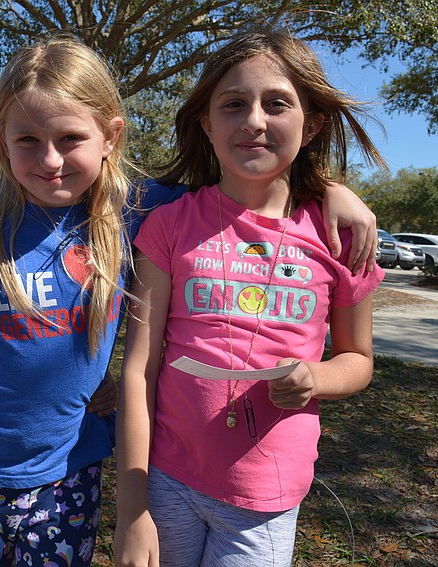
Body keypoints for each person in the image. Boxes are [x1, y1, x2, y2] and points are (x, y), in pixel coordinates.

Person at [0, 35, 378, 566]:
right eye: (28, 139)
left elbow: (247, 177)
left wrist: (325, 187)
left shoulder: (141, 211)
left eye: (71, 138)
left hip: (71, 469)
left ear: (110, 136)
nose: (50, 160)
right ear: (0, 137)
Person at [114, 29, 386, 567]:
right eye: (233, 104)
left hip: (266, 497)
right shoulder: (169, 225)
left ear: (312, 125)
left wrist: (317, 379)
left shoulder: (342, 236)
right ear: (206, 124)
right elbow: (139, 369)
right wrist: (130, 510)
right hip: (167, 479)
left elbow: (359, 360)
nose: (255, 120)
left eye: (277, 103)